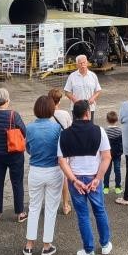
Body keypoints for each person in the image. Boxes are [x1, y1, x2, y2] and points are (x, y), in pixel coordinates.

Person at [58, 100, 113, 255]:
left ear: (74, 115)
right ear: (88, 113)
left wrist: (73, 180)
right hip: (93, 176)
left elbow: (62, 160)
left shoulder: (65, 134)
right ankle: (104, 244)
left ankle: (88, 251)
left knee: (83, 215)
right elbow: (106, 157)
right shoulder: (99, 131)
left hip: (76, 179)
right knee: (99, 210)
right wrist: (97, 179)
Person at [24, 96, 64, 255]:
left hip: (35, 169)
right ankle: (46, 246)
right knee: (51, 208)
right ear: (51, 109)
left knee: (34, 207)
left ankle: (29, 245)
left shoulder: (30, 128)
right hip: (54, 169)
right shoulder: (57, 128)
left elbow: (28, 148)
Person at [0, 88, 27, 223]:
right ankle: (20, 213)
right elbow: (24, 132)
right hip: (14, 153)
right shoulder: (14, 115)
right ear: (7, 100)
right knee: (17, 182)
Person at [48, 87, 73, 215]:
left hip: (49, 148)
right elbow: (70, 130)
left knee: (50, 176)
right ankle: (65, 204)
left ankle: (51, 205)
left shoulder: (45, 115)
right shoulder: (65, 114)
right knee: (64, 177)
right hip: (63, 148)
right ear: (59, 100)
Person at [64, 54, 102, 119]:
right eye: (80, 63)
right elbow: (67, 92)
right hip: (77, 109)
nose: (82, 65)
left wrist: (93, 98)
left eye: (84, 62)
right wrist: (75, 100)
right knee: (77, 128)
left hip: (90, 108)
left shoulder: (93, 76)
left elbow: (98, 90)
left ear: (87, 63)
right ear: (77, 65)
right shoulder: (72, 76)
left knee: (89, 127)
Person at [103, 111, 123, 193]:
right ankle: (118, 187)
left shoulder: (105, 131)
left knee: (107, 170)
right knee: (117, 170)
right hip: (117, 153)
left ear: (107, 120)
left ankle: (106, 187)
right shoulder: (120, 130)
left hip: (108, 154)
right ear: (117, 120)